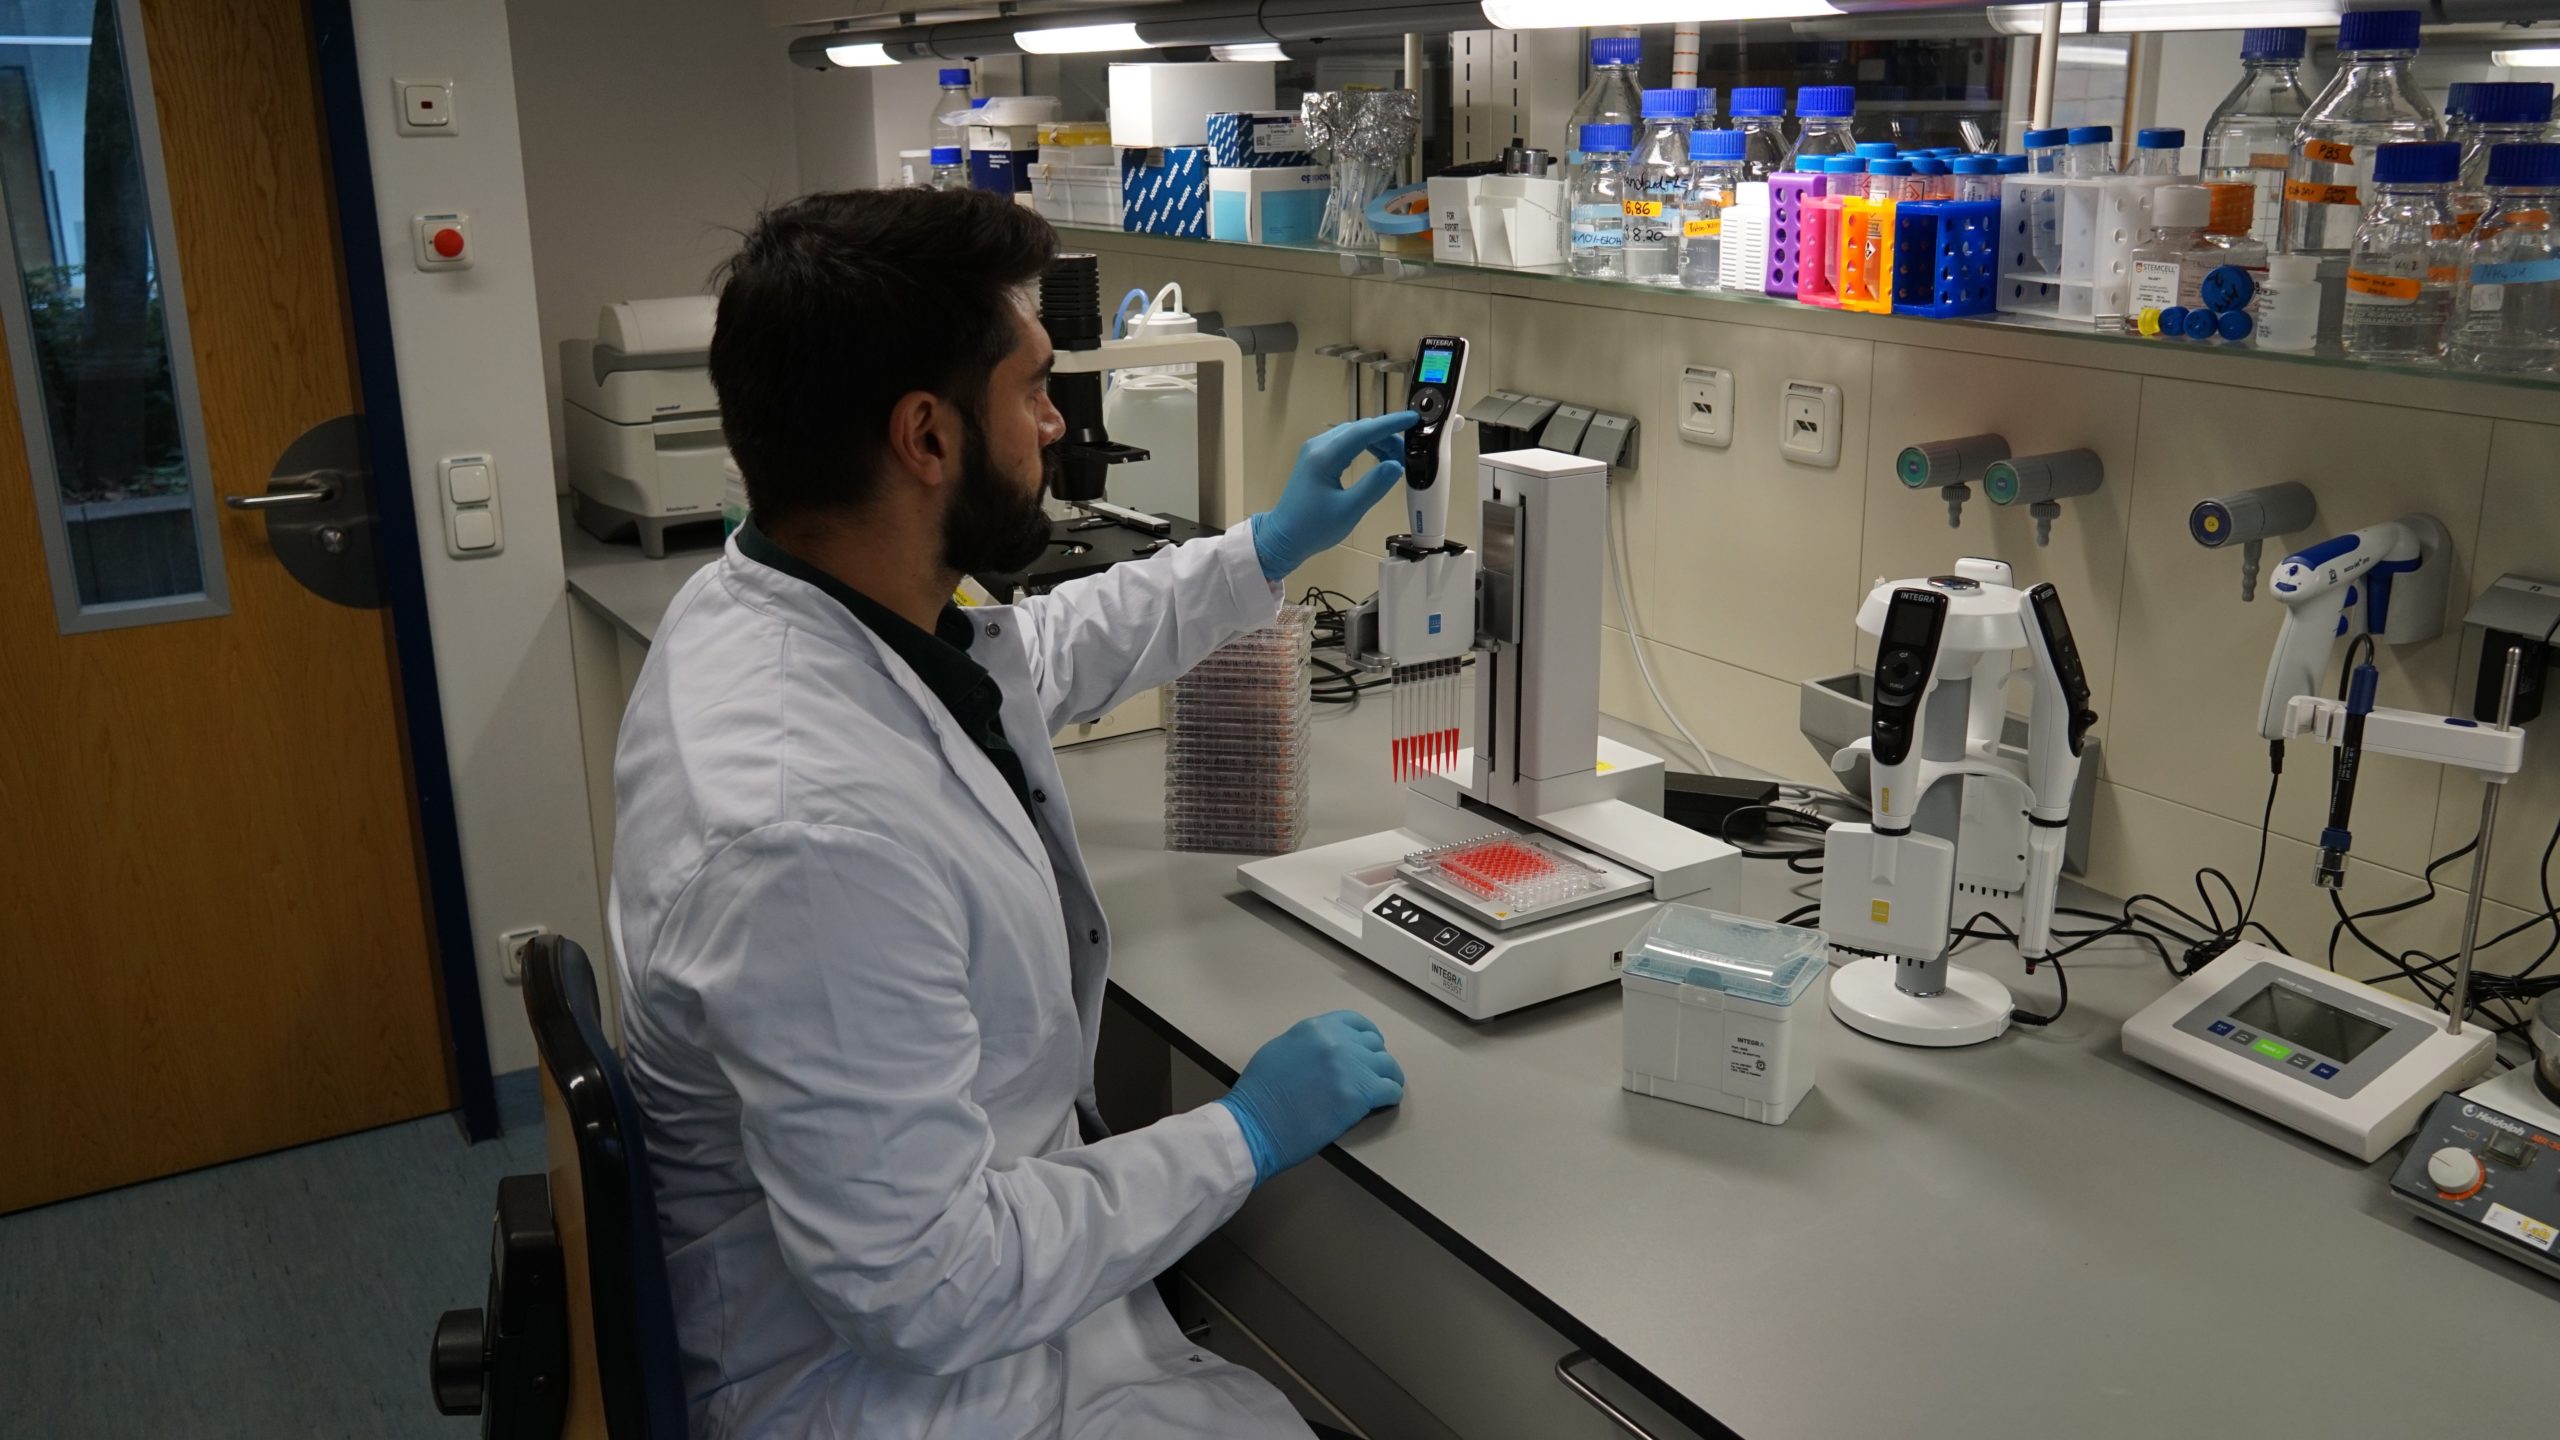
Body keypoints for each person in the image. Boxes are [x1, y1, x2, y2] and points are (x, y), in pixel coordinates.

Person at [609, 186, 1416, 1439]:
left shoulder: (771, 597)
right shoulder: (805, 837)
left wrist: (1263, 547)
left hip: (924, 1289)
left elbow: (1034, 654)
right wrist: (1239, 1134)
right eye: (1035, 388)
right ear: (926, 437)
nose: (1054, 423)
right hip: (897, 1390)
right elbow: (931, 1287)